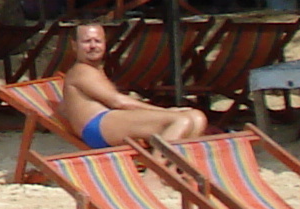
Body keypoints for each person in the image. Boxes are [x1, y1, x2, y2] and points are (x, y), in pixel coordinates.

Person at [57, 19, 205, 148]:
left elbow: (65, 107)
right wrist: (165, 112)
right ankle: (155, 176)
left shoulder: (96, 69)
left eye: (98, 41)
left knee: (197, 117)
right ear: (74, 45)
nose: (93, 46)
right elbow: (118, 102)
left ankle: (177, 168)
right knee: (180, 120)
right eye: (87, 41)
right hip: (97, 127)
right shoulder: (82, 71)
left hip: (111, 121)